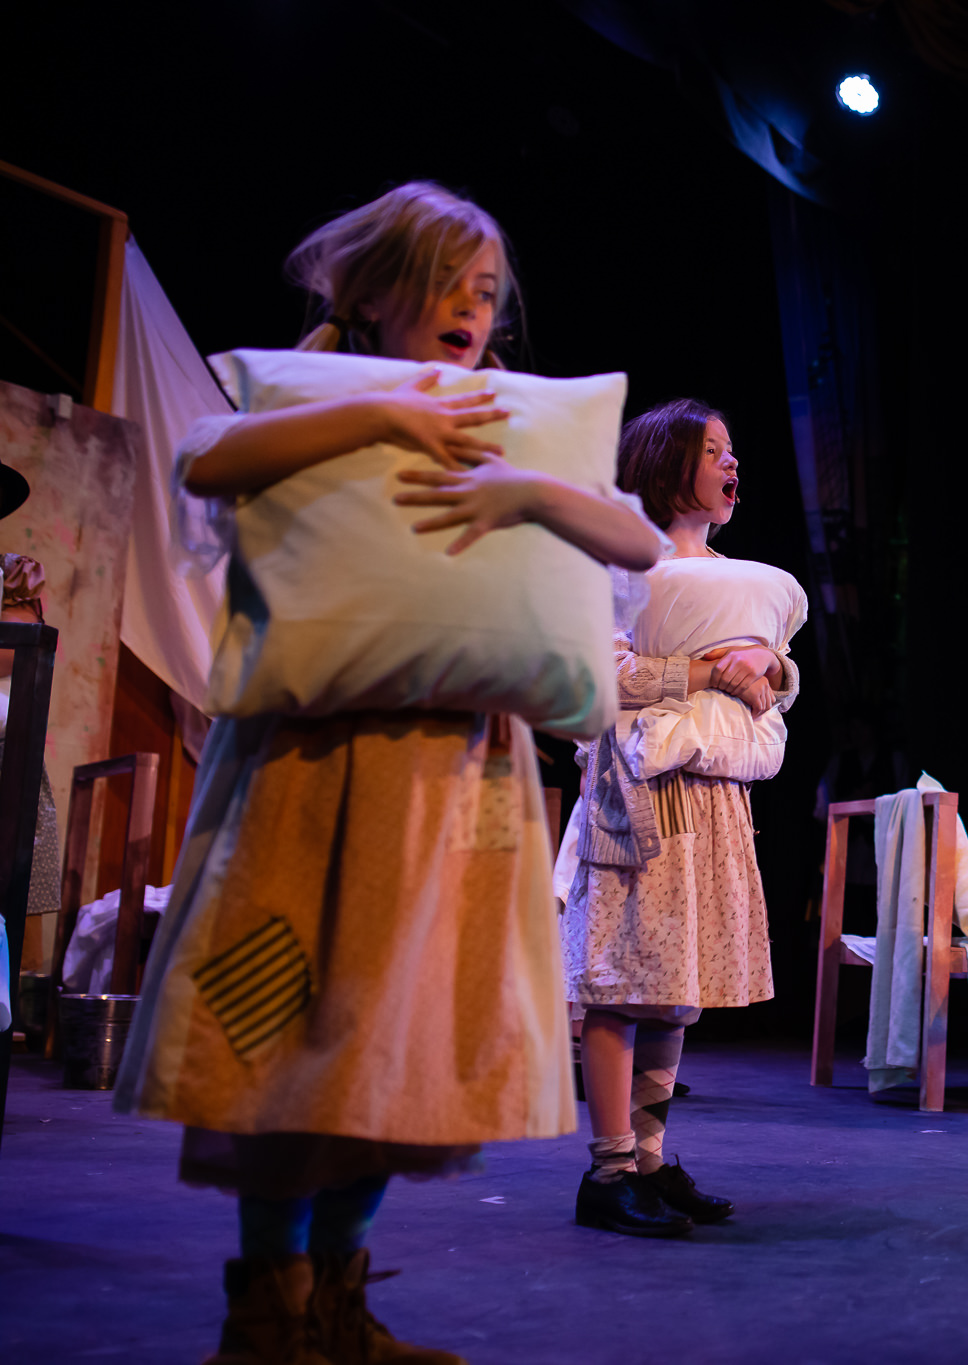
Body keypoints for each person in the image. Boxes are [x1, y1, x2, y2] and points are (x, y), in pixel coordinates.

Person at [113, 181, 664, 1365]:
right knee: (289, 1038)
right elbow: (207, 459)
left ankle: (337, 1304)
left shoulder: (512, 415)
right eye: (444, 284)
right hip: (310, 777)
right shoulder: (313, 391)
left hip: (456, 783)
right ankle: (269, 1312)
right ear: (373, 294)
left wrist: (527, 489)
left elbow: (637, 539)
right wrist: (381, 418)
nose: (472, 308)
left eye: (486, 291)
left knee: (397, 1043)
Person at [560, 398, 805, 1237]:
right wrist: (706, 671)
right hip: (643, 789)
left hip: (716, 792)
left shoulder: (738, 582)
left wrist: (770, 664)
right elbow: (604, 676)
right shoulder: (626, 566)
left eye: (732, 451)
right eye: (713, 450)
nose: (731, 463)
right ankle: (609, 1170)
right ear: (669, 463)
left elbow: (776, 679)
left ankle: (650, 1160)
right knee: (622, 982)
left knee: (674, 989)